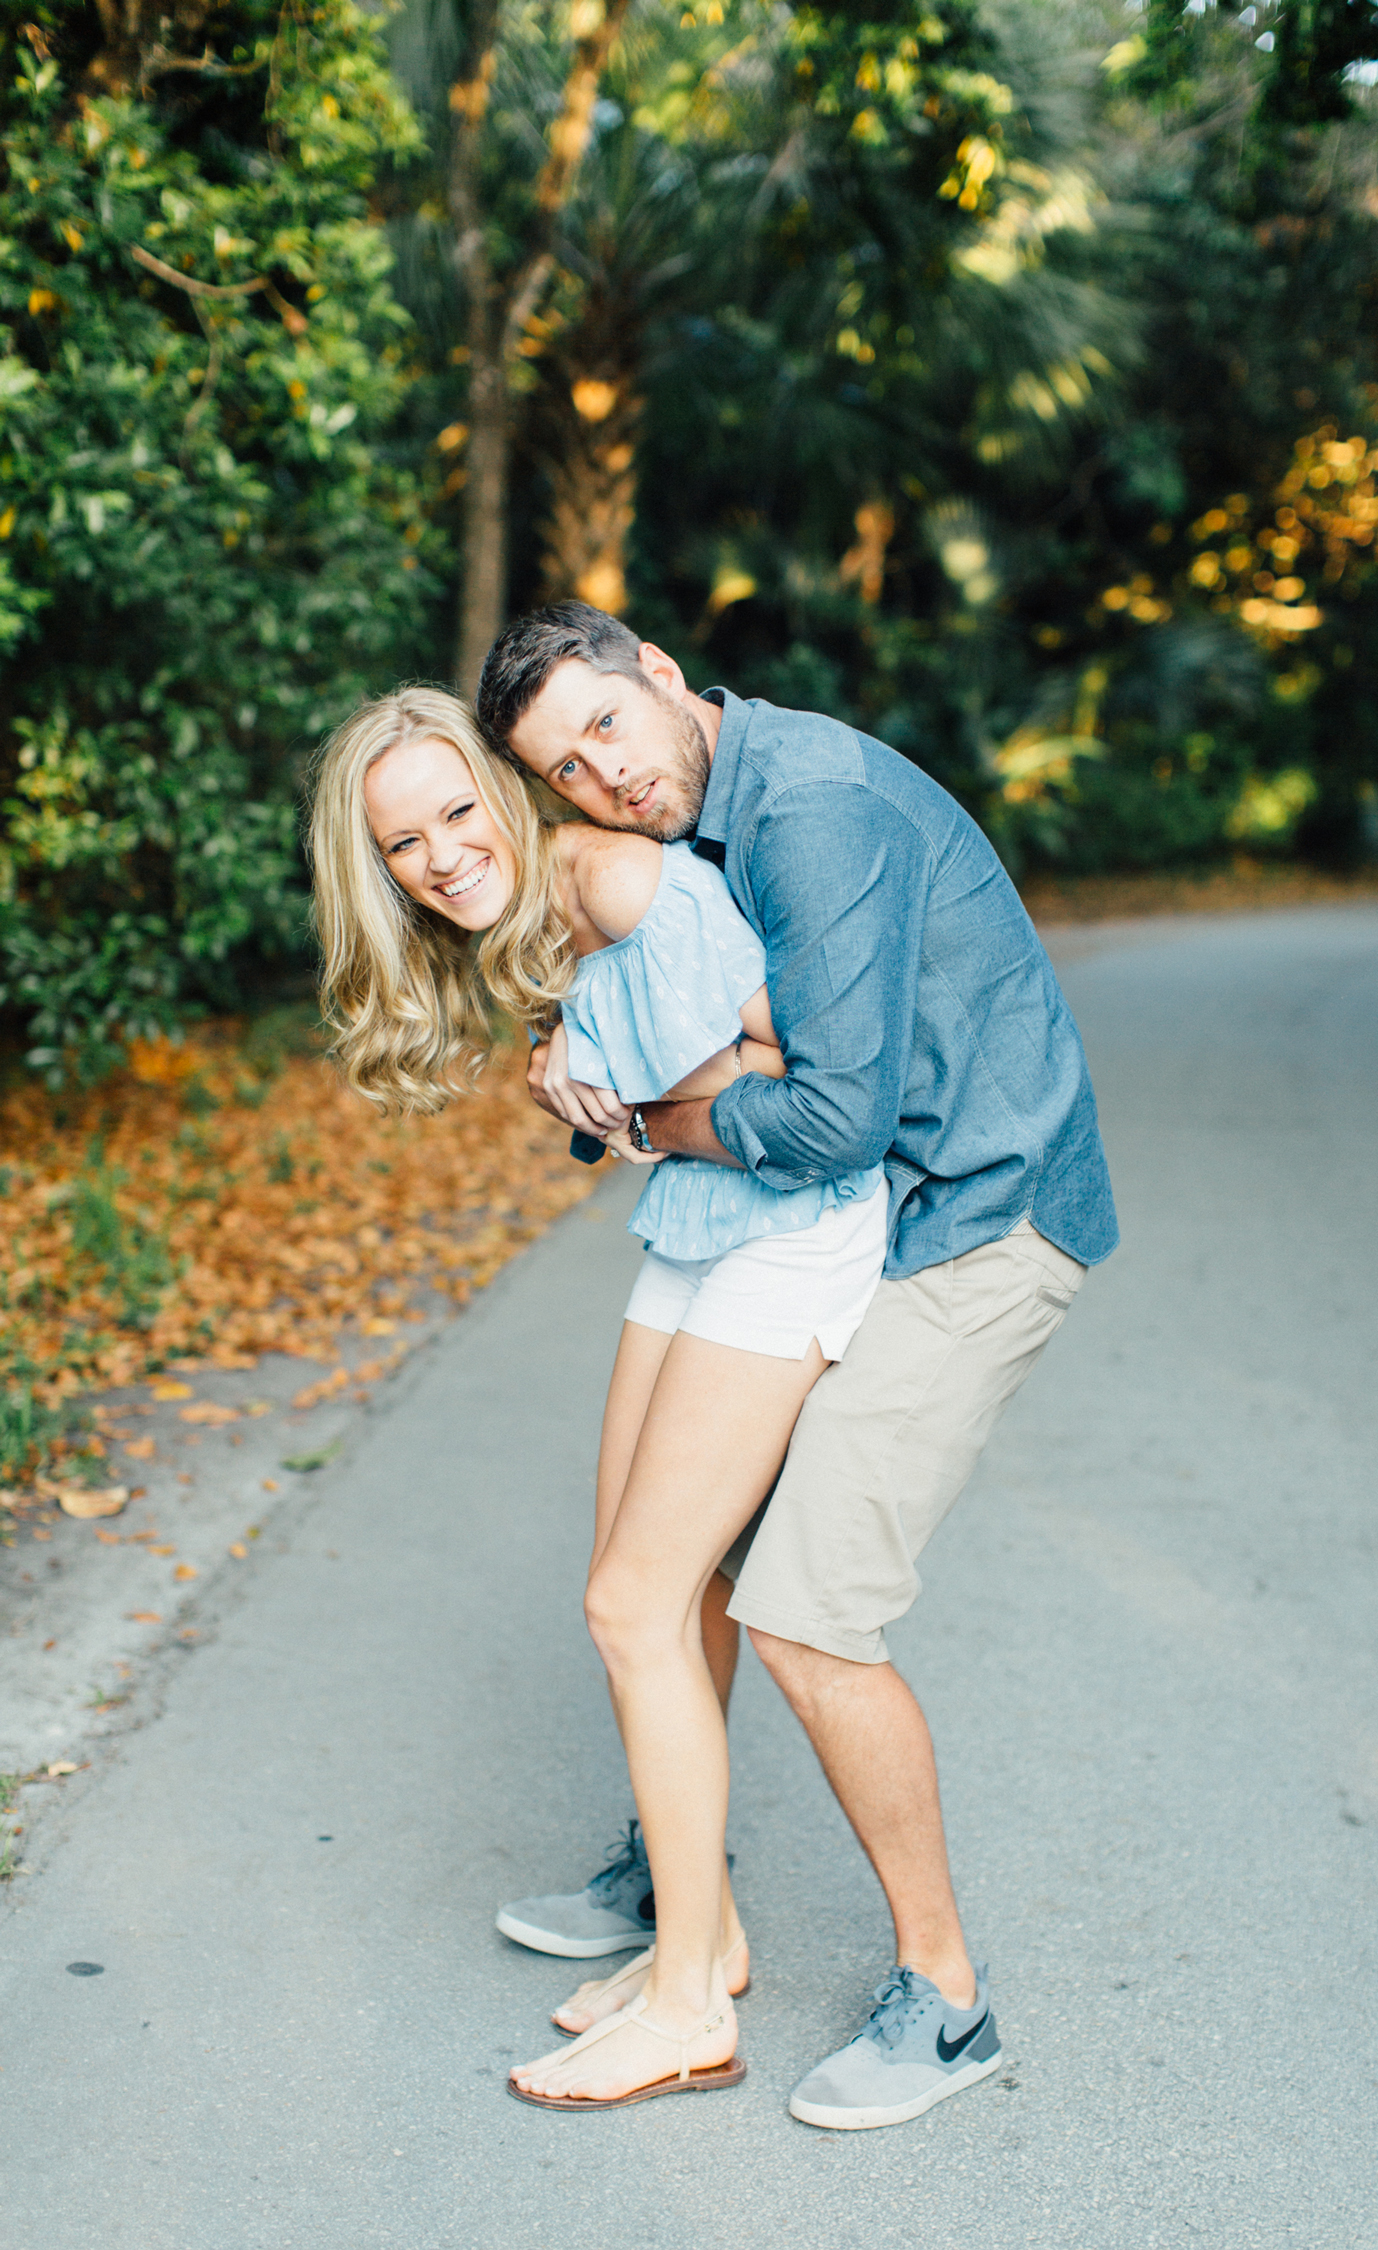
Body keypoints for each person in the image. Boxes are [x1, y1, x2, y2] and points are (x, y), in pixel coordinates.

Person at [481, 601, 1119, 2132]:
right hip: (872, 1214)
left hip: (971, 1220)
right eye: (568, 769)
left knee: (811, 1612)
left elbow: (828, 1116)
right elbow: (686, 1021)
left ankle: (945, 1999)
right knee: (681, 1558)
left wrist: (657, 1122)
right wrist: (602, 1084)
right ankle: (680, 1871)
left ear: (653, 667)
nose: (606, 778)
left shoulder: (809, 810)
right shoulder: (711, 810)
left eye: (609, 728)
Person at [306, 686, 893, 2111]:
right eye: (402, 844)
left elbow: (794, 1064)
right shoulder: (538, 915)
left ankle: (690, 2007)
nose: (440, 855)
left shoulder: (616, 874)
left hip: (791, 1223)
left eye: (455, 811)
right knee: (651, 1592)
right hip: (698, 1221)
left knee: (632, 1603)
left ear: (503, 794)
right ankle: (710, 1936)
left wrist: (621, 1098)